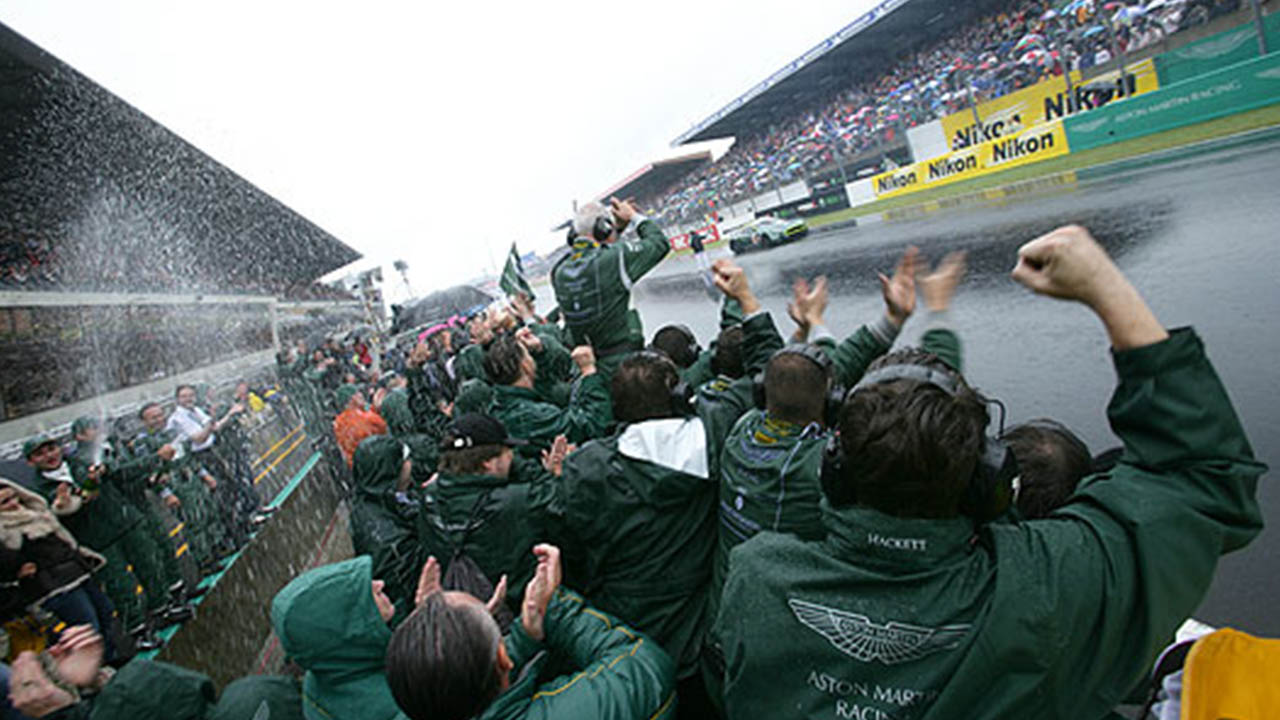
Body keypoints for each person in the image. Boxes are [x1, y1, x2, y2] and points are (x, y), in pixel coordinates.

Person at [711, 225, 1266, 718]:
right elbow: (1203, 479)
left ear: (832, 469)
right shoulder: (1042, 590)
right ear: (989, 479)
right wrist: (1105, 287)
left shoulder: (756, 578)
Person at [384, 544, 677, 720]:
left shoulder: (419, 698)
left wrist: (524, 634)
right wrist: (553, 607)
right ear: (502, 659)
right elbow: (647, 667)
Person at [415, 414, 558, 620]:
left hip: (453, 614)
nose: (512, 456)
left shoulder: (429, 497)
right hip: (519, 614)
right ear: (488, 463)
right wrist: (532, 469)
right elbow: (558, 496)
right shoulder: (519, 501)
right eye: (508, 452)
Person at [551, 198, 672, 380]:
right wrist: (633, 217)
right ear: (603, 228)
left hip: (587, 366)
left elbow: (600, 257)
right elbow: (659, 243)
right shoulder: (613, 259)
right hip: (625, 365)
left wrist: (617, 230)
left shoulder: (559, 271)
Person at [485, 333, 611, 455]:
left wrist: (540, 350)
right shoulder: (530, 415)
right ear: (525, 366)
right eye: (529, 355)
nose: (532, 358)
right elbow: (593, 425)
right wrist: (588, 372)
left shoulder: (502, 402)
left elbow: (544, 388)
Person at [348, 434, 424, 623]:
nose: (410, 463)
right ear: (394, 469)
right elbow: (411, 588)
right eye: (406, 459)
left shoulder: (370, 499)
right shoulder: (390, 541)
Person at [332, 384, 389, 468]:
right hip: (375, 463)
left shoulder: (340, 421)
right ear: (352, 399)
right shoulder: (358, 418)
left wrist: (374, 408)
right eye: (358, 393)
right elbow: (384, 427)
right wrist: (379, 408)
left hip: (361, 468)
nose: (362, 395)